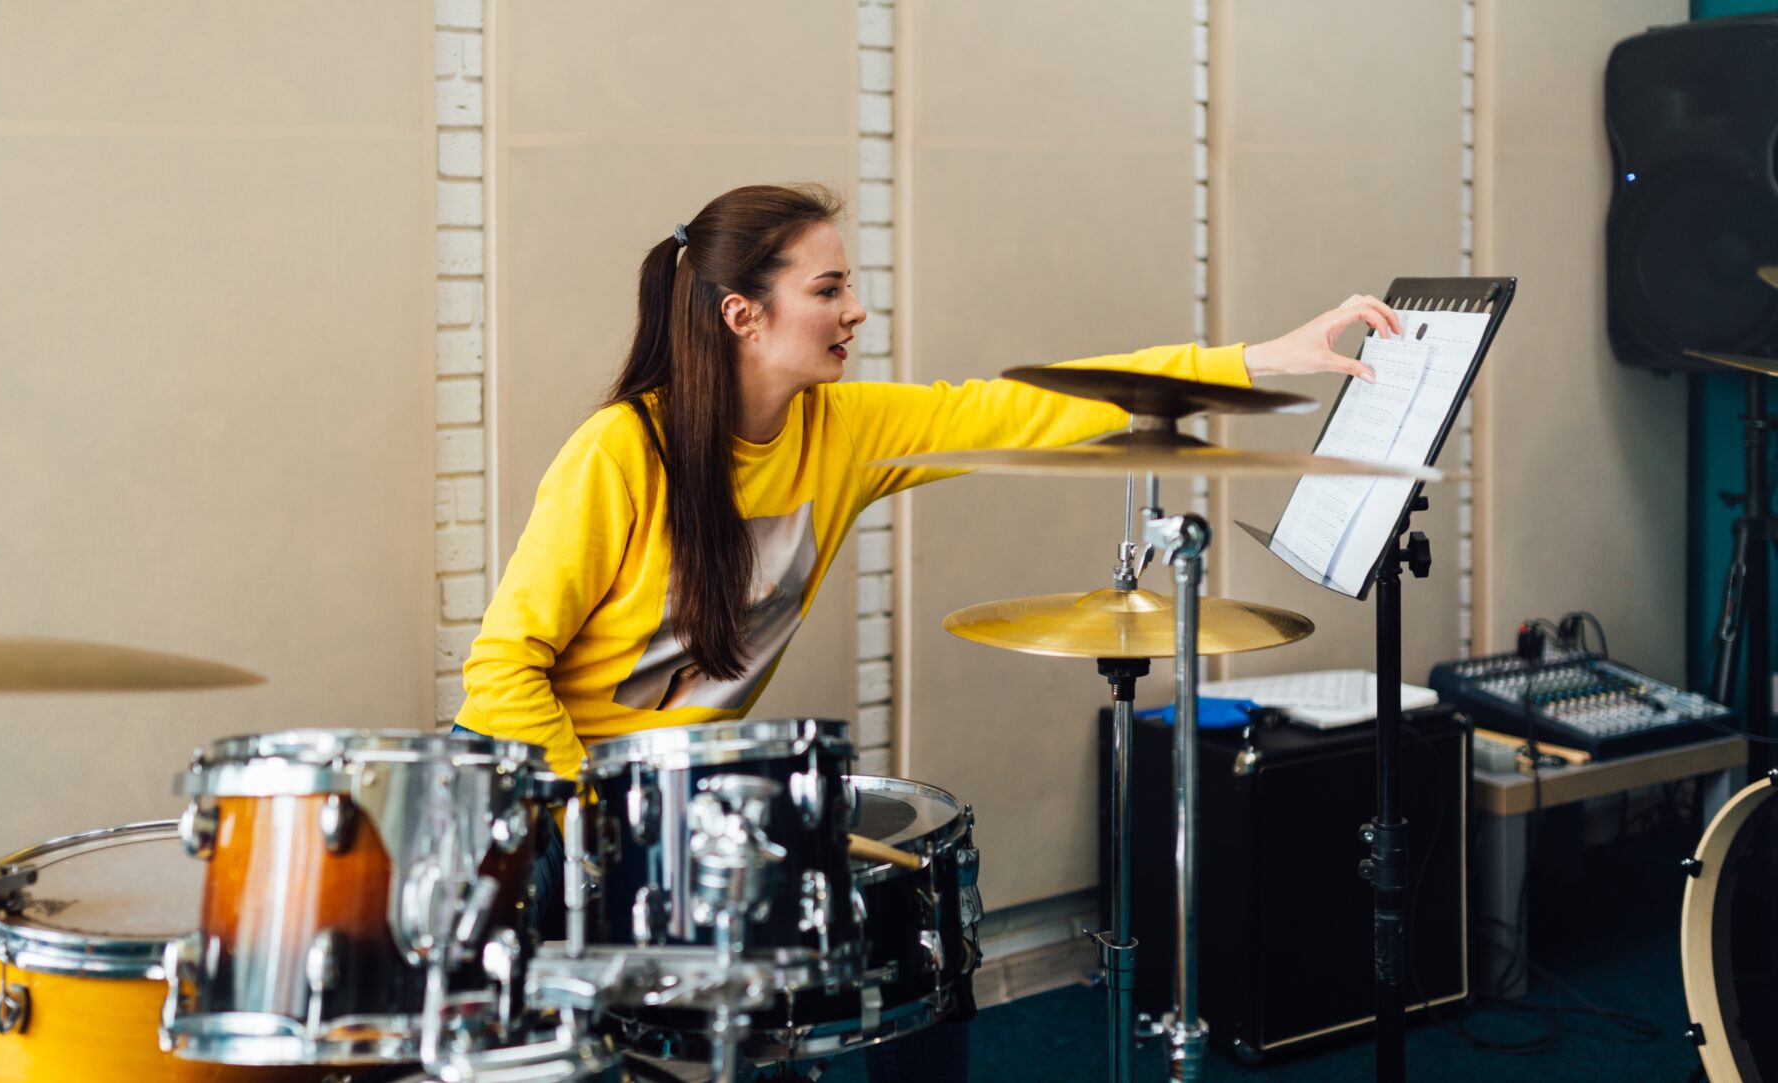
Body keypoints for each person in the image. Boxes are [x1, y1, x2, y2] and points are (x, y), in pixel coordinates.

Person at [455, 182, 1399, 1080]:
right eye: (828, 289)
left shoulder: (844, 429)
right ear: (743, 314)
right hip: (544, 797)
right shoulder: (620, 452)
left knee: (911, 928)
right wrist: (599, 820)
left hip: (695, 809)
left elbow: (1032, 405)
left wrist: (1259, 357)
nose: (855, 310)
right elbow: (502, 670)